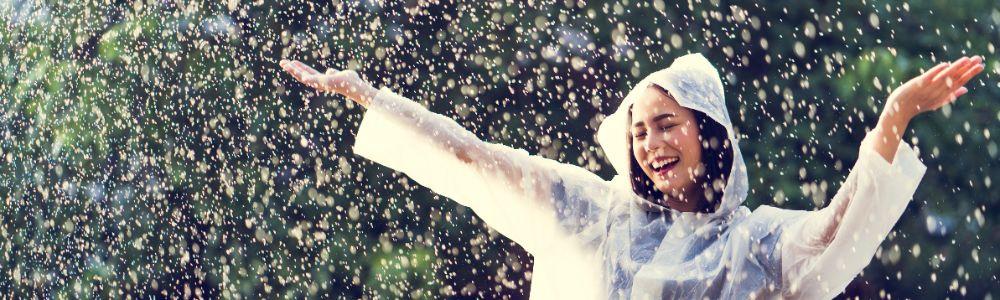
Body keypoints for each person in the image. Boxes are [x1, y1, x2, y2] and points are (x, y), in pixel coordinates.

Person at [279, 53, 984, 299]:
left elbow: (836, 231)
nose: (650, 143)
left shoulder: (756, 242)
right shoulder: (593, 210)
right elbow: (478, 157)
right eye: (638, 130)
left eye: (667, 124)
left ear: (708, 135)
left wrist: (893, 116)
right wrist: (377, 99)